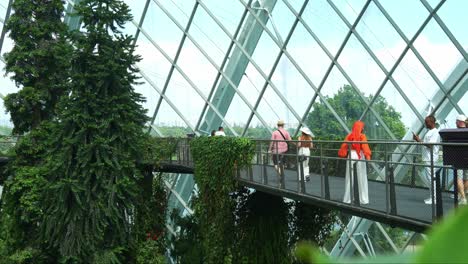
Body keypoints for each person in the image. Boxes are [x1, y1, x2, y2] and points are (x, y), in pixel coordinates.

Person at [338, 120, 371, 205]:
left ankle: (347, 199)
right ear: (361, 128)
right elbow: (365, 147)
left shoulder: (349, 136)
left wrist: (343, 153)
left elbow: (343, 147)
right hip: (360, 156)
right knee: (362, 177)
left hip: (351, 156)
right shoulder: (362, 136)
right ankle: (363, 199)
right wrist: (368, 158)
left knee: (349, 177)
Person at [413, 115, 440, 204]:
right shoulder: (430, 132)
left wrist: (419, 140)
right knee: (430, 179)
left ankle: (435, 199)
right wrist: (419, 140)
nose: (425, 124)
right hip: (428, 158)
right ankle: (432, 197)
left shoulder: (435, 132)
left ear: (432, 122)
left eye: (426, 122)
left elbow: (430, 145)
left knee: (432, 179)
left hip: (431, 158)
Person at [455, 114, 468, 204]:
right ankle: (462, 195)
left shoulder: (456, 133)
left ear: (459, 122)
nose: (455, 123)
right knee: (467, 178)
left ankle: (463, 198)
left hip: (459, 157)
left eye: (456, 121)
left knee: (459, 178)